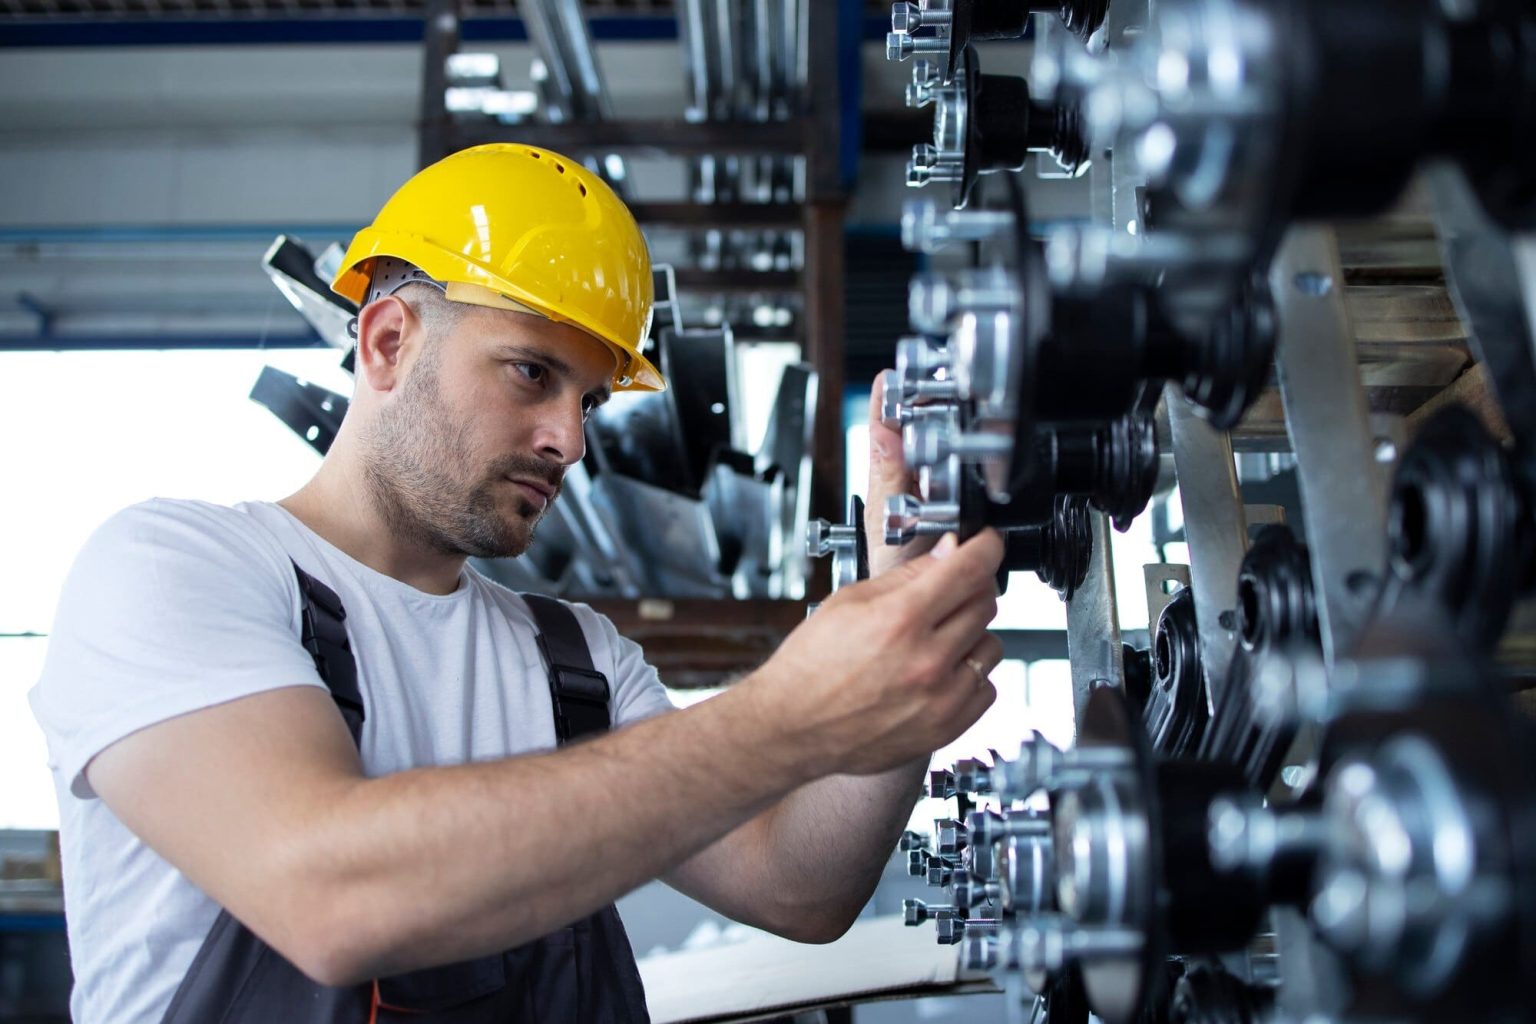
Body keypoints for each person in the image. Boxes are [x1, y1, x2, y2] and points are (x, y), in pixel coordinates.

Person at [29, 143, 1005, 1024]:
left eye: (587, 398)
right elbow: (327, 896)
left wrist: (899, 639)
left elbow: (801, 888)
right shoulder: (175, 569)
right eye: (530, 374)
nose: (570, 440)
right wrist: (787, 714)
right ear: (386, 344)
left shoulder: (572, 662)